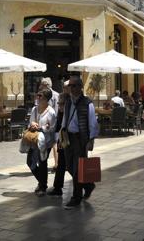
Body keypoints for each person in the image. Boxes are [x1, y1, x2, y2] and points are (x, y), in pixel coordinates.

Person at [61, 76, 98, 209]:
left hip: (80, 139)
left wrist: (91, 140)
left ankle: (76, 197)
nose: (71, 88)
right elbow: (65, 118)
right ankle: (88, 185)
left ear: (80, 87)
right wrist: (61, 134)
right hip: (68, 137)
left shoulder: (88, 103)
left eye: (74, 85)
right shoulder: (68, 102)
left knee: (77, 168)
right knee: (70, 166)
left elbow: (92, 123)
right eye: (70, 86)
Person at [27, 89, 57, 196]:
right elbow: (30, 123)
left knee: (42, 163)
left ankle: (42, 187)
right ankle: (42, 182)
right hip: (34, 140)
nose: (38, 97)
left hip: (46, 142)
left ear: (46, 99)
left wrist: (42, 128)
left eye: (40, 96)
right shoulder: (35, 109)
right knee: (30, 162)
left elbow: (53, 128)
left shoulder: (51, 112)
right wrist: (32, 125)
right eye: (38, 95)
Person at [48, 80, 70, 196]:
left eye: (61, 104)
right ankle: (57, 188)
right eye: (59, 104)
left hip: (71, 139)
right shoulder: (63, 106)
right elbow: (58, 124)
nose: (59, 106)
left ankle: (86, 185)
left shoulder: (72, 105)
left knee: (71, 166)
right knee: (61, 164)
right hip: (63, 138)